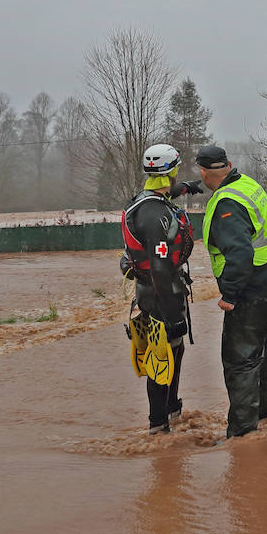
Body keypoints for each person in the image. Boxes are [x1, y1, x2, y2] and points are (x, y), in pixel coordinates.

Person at [195, 144, 267, 438]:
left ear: (204, 172)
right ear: (229, 164)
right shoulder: (247, 184)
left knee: (241, 361)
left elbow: (240, 254)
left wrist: (229, 296)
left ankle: (243, 434)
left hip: (251, 288)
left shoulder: (226, 203)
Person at [120, 143, 202, 434]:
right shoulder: (155, 215)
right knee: (161, 357)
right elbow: (158, 267)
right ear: (171, 171)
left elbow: (162, 192)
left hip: (160, 290)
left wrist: (184, 188)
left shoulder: (149, 199)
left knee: (175, 352)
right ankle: (158, 427)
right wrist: (173, 316)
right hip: (159, 294)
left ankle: (171, 410)